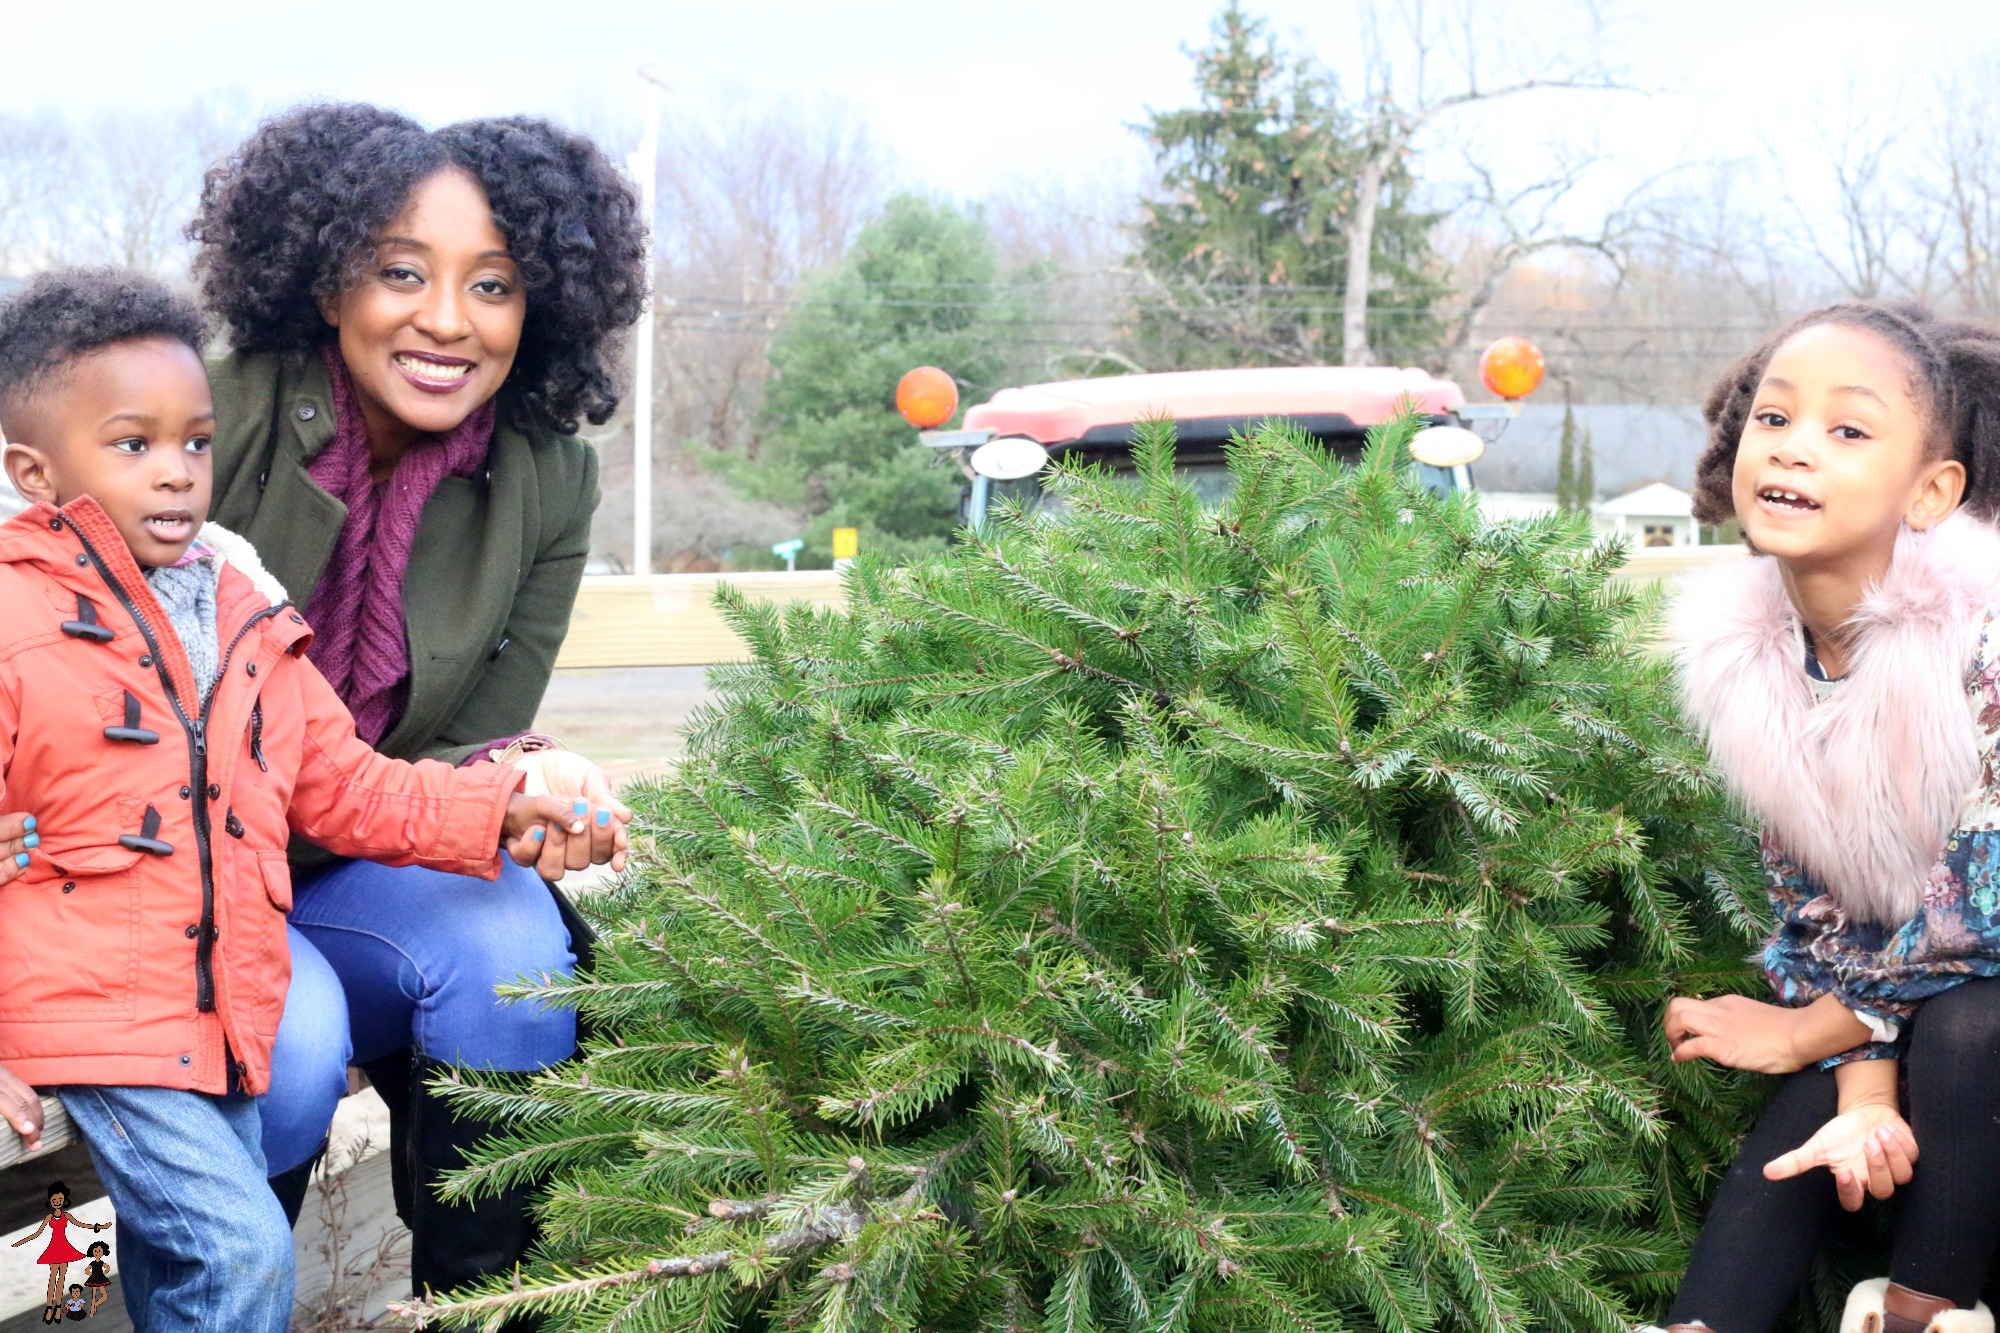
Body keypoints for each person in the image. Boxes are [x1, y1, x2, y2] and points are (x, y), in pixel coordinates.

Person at [0, 268, 609, 1333]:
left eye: (195, 442)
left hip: (217, 992)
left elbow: (345, 783)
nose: (180, 474)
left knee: (196, 1257)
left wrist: (494, 810)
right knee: (237, 1252)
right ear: (34, 473)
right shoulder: (16, 618)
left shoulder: (235, 604)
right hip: (96, 1017)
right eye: (133, 445)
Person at [183, 102, 648, 1294]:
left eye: (492, 285)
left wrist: (525, 779)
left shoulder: (549, 475)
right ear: (324, 280)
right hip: (174, 877)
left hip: (357, 861)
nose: (447, 320)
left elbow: (467, 740)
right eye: (401, 272)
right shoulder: (206, 417)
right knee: (293, 1038)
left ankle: (495, 1307)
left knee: (506, 944)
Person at [1658, 302, 2000, 1333]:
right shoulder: (1756, 669)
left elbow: (1980, 909)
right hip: (1930, 1001)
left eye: (1846, 430)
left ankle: (1918, 1315)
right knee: (1820, 1107)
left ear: (1933, 491)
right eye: (1773, 419)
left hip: (1981, 1013)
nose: (1793, 448)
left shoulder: (1981, 645)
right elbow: (1821, 910)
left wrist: (1809, 1026)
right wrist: (1856, 1081)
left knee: (1966, 1024)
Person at [10, 1183, 108, 1325]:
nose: (57, 1202)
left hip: (64, 1247)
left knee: (60, 1280)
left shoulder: (66, 1215)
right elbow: (37, 1233)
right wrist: (21, 1242)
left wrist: (98, 1226)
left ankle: (57, 1308)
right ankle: (50, 1308)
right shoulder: (49, 1217)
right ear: (51, 1201)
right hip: (54, 1247)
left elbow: (81, 1224)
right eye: (55, 1200)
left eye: (60, 1200)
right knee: (52, 1281)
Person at [82, 1242, 112, 1318]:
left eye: (99, 1251)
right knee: (95, 1295)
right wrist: (93, 1275)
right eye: (96, 1251)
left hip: (97, 1278)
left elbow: (107, 1267)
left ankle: (94, 1305)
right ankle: (93, 1309)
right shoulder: (94, 1263)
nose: (97, 1253)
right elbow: (87, 1270)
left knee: (101, 1295)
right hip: (97, 1278)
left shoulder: (100, 1263)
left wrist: (103, 1274)